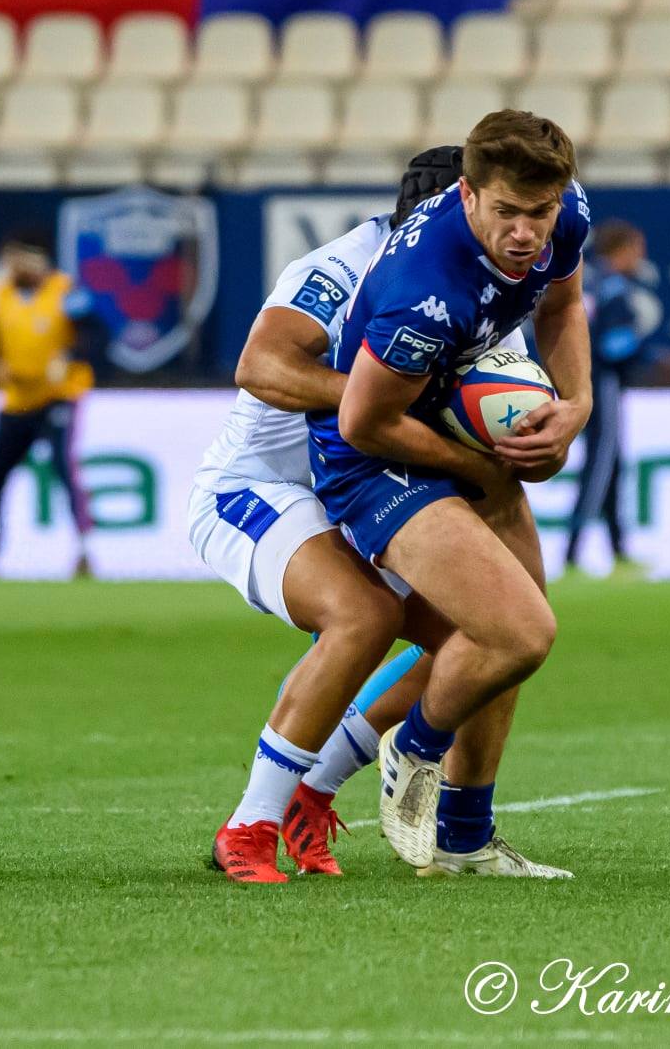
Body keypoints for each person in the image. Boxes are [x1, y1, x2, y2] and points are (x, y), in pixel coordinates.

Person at [192, 145, 564, 883]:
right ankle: (249, 828)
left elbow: (498, 405)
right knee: (363, 615)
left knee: (487, 635)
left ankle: (329, 793)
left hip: (367, 479)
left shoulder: (487, 279)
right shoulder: (342, 265)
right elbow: (259, 366)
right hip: (259, 488)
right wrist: (390, 389)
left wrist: (541, 435)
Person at [309, 110, 593, 874]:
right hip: (374, 458)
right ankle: (412, 748)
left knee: (512, 637)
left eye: (539, 212)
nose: (525, 233)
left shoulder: (566, 211)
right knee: (519, 632)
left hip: (448, 417)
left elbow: (564, 306)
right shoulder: (424, 289)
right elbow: (362, 421)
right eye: (506, 212)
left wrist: (576, 404)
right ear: (467, 194)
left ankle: (464, 839)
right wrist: (482, 470)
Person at [0, 225, 101, 580]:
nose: (13, 267)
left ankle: (83, 550)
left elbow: (94, 333)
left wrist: (69, 356)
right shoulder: (0, 294)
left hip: (57, 396)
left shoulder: (65, 291)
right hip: (17, 399)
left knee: (63, 467)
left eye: (18, 259)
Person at [563, 217, 666, 579]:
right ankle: (572, 553)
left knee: (611, 466)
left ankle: (618, 550)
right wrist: (653, 355)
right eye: (637, 249)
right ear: (622, 250)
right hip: (603, 382)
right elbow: (613, 345)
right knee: (601, 464)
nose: (641, 257)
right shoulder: (614, 288)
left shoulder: (588, 280)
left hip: (582, 379)